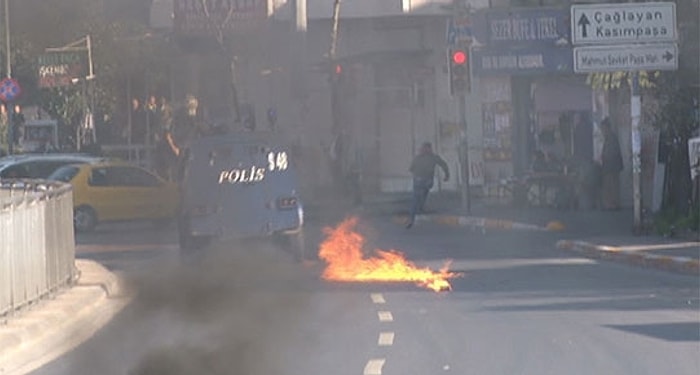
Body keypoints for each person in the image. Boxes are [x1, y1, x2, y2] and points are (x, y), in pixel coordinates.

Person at [406, 142, 449, 228]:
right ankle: (420, 208)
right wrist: (447, 175)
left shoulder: (418, 157)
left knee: (416, 198)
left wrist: (416, 174)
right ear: (429, 148)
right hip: (427, 180)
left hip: (418, 180)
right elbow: (443, 164)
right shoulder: (433, 157)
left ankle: (412, 218)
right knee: (423, 192)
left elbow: (411, 169)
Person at [600, 117, 623, 210]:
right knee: (610, 186)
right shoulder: (609, 138)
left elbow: (612, 153)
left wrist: (604, 157)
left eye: (603, 129)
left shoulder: (611, 138)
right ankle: (611, 204)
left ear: (607, 128)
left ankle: (613, 204)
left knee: (612, 186)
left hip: (612, 167)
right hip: (610, 166)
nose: (602, 131)